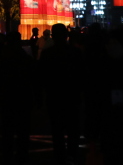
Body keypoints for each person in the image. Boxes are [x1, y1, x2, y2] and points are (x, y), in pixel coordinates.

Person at [39, 23, 84, 165]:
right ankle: (72, 154)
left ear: (53, 36)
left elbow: (42, 76)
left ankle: (59, 155)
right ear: (66, 36)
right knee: (73, 128)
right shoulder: (76, 53)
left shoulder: (47, 54)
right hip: (72, 96)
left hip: (54, 96)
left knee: (57, 129)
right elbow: (82, 75)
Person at [0, 31, 36, 164]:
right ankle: (22, 155)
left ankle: (7, 155)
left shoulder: (2, 58)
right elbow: (34, 78)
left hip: (7, 97)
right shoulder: (25, 58)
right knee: (23, 130)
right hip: (23, 97)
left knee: (7, 130)